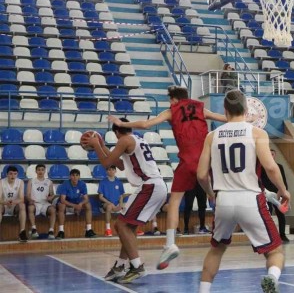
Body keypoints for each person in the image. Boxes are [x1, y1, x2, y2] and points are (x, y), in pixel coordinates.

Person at [108, 85, 226, 270]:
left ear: (173, 99)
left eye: (169, 99)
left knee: (175, 201)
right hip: (206, 158)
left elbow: (146, 124)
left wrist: (123, 124)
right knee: (208, 184)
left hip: (187, 160)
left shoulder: (171, 110)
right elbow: (225, 118)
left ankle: (170, 243)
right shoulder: (202, 107)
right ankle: (213, 196)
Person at [195, 90, 290, 293]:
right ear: (246, 111)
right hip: (250, 199)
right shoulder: (257, 133)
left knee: (216, 250)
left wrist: (211, 195)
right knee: (275, 251)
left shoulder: (212, 136)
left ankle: (203, 290)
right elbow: (271, 168)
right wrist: (283, 189)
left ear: (225, 110)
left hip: (223, 200)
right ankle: (272, 279)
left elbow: (201, 175)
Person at [86, 118, 168, 284]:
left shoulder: (124, 140)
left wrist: (95, 145)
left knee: (121, 225)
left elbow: (107, 163)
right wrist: (102, 146)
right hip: (155, 185)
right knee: (127, 227)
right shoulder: (135, 138)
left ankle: (137, 266)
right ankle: (120, 265)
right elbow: (121, 165)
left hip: (149, 185)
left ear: (116, 132)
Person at [56, 168, 96, 239]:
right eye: (73, 175)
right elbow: (62, 200)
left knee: (88, 205)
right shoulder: (65, 184)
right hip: (67, 203)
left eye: (77, 175)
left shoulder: (82, 184)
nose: (75, 177)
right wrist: (74, 206)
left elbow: (86, 199)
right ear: (70, 176)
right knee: (61, 206)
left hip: (77, 203)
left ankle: (88, 230)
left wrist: (80, 204)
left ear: (79, 177)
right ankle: (61, 231)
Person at [260, 149, 290, 242]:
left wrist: (283, 193)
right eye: (269, 154)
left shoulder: (279, 167)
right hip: (266, 194)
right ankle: (269, 235)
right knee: (267, 213)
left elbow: (283, 181)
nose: (271, 156)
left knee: (281, 214)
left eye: (272, 154)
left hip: (278, 193)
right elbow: (260, 181)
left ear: (275, 155)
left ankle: (282, 234)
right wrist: (264, 193)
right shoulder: (261, 167)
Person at [27, 164, 56, 240]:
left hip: (45, 203)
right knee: (30, 208)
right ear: (36, 171)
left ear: (45, 171)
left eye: (42, 170)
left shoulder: (49, 182)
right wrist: (30, 200)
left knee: (53, 209)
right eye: (39, 170)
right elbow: (28, 194)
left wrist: (50, 197)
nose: (40, 171)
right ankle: (33, 229)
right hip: (35, 203)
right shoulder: (31, 181)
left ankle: (51, 231)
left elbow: (52, 194)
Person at [0, 166, 28, 242]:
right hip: (4, 205)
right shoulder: (1, 182)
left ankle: (22, 232)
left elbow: (21, 198)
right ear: (7, 174)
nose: (13, 176)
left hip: (14, 205)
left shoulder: (20, 182)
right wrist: (5, 202)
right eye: (11, 174)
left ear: (17, 174)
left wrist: (13, 202)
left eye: (15, 174)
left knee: (22, 205)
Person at [98, 165, 126, 237]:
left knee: (129, 206)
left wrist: (120, 204)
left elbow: (121, 196)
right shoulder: (103, 182)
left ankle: (130, 229)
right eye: (109, 170)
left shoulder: (119, 182)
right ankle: (108, 229)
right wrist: (110, 203)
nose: (111, 171)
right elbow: (100, 197)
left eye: (113, 170)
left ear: (115, 171)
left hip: (117, 204)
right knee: (109, 206)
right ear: (107, 171)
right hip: (106, 204)